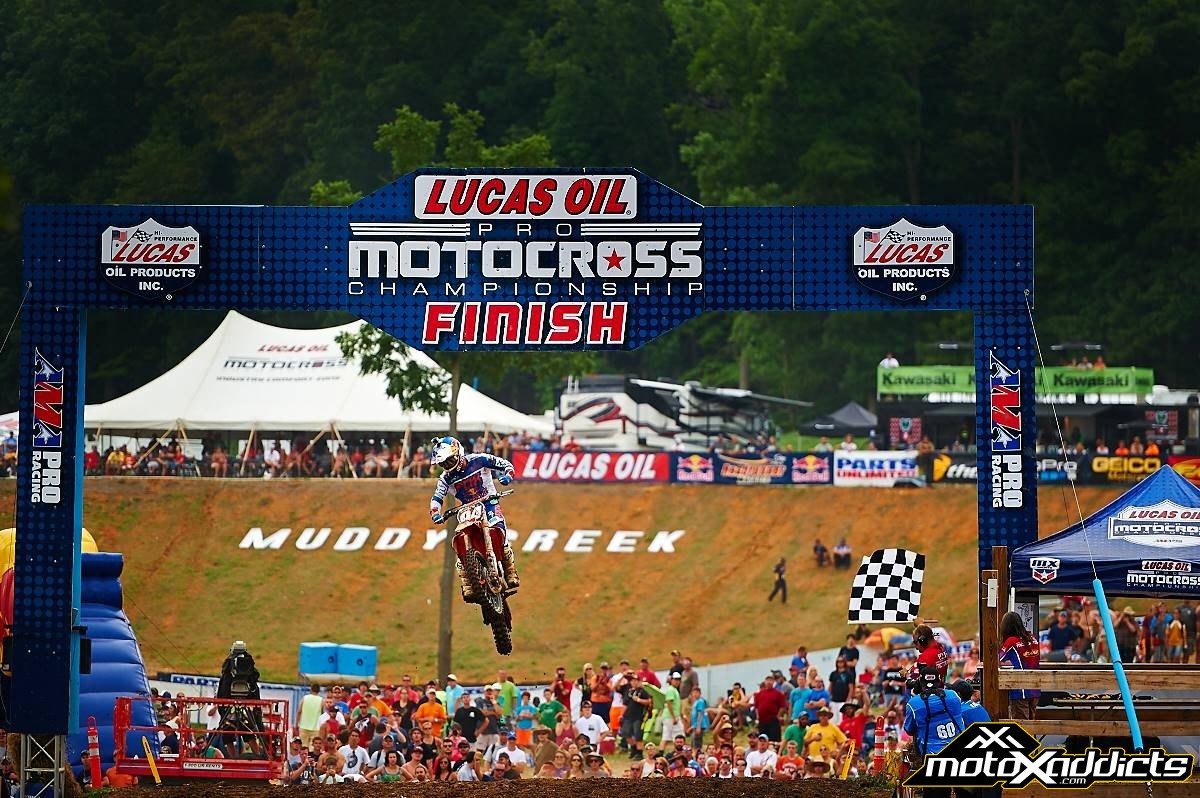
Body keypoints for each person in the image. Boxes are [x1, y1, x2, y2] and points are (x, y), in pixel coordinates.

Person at [427, 436, 520, 598]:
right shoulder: (445, 479)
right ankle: (468, 583)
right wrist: (435, 512)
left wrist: (507, 476)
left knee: (498, 529)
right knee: (459, 540)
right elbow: (437, 498)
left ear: (458, 453)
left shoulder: (479, 459)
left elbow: (505, 464)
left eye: (449, 461)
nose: (447, 466)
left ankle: (510, 571)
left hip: (488, 502)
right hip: (466, 509)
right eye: (443, 464)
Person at [904, 665, 964, 798]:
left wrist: (913, 694)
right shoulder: (953, 696)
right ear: (940, 680)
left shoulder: (914, 704)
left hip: (934, 756)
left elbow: (909, 730)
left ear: (920, 683)